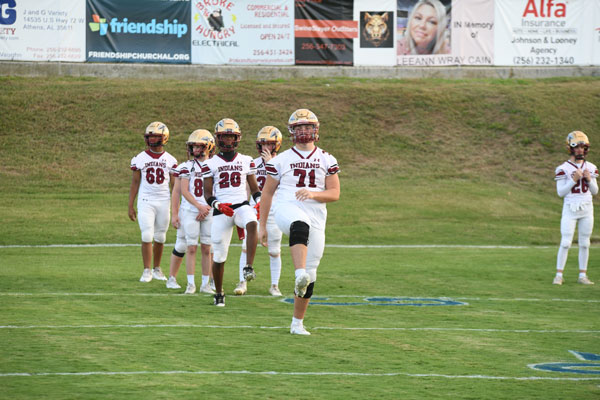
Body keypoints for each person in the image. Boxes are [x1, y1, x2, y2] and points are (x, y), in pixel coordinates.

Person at [259, 109, 340, 335]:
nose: (303, 131)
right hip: (287, 207)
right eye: (299, 127)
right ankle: (298, 272)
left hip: (317, 214)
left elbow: (335, 193)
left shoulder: (326, 158)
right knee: (299, 224)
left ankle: (297, 323)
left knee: (311, 274)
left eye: (307, 127)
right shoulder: (281, 159)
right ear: (292, 131)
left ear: (315, 129)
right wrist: (262, 225)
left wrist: (314, 194)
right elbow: (267, 193)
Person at [202, 118, 261, 306]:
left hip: (241, 205)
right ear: (218, 139)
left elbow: (254, 188)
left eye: (231, 137)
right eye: (224, 137)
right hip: (222, 210)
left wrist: (259, 202)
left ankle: (248, 267)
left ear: (237, 138)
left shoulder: (246, 160)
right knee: (219, 256)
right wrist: (218, 205)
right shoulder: (210, 163)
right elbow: (207, 193)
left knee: (252, 223)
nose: (228, 140)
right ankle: (219, 293)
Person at [235, 126, 284, 297]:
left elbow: (283, 186)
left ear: (276, 145)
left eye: (269, 144)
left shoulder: (282, 162)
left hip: (274, 210)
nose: (265, 148)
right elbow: (248, 188)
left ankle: (274, 285)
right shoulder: (253, 163)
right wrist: (244, 206)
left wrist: (270, 164)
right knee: (246, 247)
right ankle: (242, 282)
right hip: (254, 209)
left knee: (274, 250)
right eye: (262, 144)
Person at [167, 130, 216, 294]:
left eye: (199, 146)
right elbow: (183, 191)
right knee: (191, 247)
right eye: (193, 146)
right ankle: (190, 283)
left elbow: (218, 189)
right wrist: (197, 207)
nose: (195, 149)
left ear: (208, 147)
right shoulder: (186, 167)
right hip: (190, 210)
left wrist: (207, 207)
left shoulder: (215, 165)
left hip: (209, 210)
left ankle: (206, 284)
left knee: (208, 248)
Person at [128, 122, 178, 283]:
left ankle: (157, 269)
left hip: (164, 200)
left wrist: (178, 207)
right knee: (147, 234)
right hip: (146, 200)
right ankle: (146, 270)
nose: (151, 139)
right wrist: (130, 205)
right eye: (150, 136)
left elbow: (175, 186)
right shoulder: (140, 158)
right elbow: (135, 182)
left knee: (161, 236)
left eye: (155, 136)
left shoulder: (170, 160)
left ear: (164, 138)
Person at [553, 131, 598, 285]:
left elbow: (595, 191)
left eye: (582, 147)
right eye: (577, 147)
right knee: (566, 242)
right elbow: (561, 192)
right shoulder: (563, 168)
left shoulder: (591, 167)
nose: (580, 150)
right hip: (570, 208)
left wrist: (589, 179)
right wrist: (574, 180)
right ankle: (559, 275)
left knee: (585, 243)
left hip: (587, 208)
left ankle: (582, 275)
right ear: (570, 148)